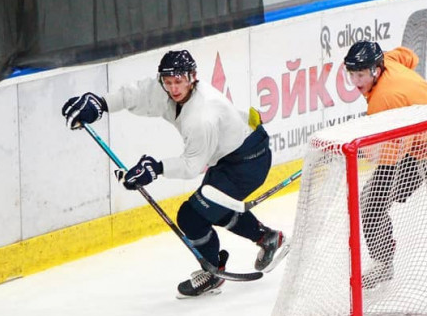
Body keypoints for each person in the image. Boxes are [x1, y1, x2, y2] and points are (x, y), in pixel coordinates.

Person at [61, 50, 289, 298]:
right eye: (168, 82)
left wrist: (155, 168)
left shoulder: (202, 116)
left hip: (247, 162)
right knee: (211, 209)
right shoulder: (168, 90)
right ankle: (267, 237)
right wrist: (100, 103)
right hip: (229, 156)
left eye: (179, 81)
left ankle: (213, 271)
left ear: (192, 77)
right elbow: (134, 94)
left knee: (191, 216)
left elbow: (192, 165)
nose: (173, 88)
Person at [343, 40, 427, 288]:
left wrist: (359, 152)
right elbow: (410, 56)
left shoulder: (384, 99)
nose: (356, 82)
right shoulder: (388, 60)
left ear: (375, 70)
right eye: (351, 74)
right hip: (419, 148)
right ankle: (383, 264)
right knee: (373, 201)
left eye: (360, 74)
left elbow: (389, 158)